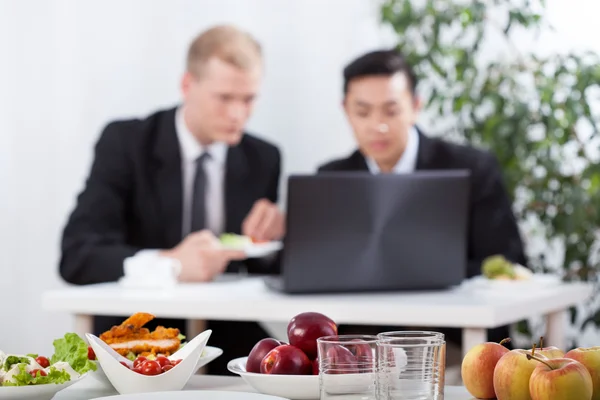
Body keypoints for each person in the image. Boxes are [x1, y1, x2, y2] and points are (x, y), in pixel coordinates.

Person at [59, 25, 284, 375]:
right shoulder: (127, 143)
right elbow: (77, 255)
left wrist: (277, 238)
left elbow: (259, 270)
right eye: (224, 98)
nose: (238, 114)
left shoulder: (263, 158)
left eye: (249, 99)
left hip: (225, 332)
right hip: (136, 331)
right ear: (187, 85)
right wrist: (172, 265)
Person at [319, 49, 527, 348]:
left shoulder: (472, 168)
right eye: (363, 112)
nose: (377, 125)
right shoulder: (330, 179)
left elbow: (506, 259)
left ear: (416, 106)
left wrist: (419, 270)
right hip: (362, 348)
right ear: (346, 110)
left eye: (391, 111)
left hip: (458, 341)